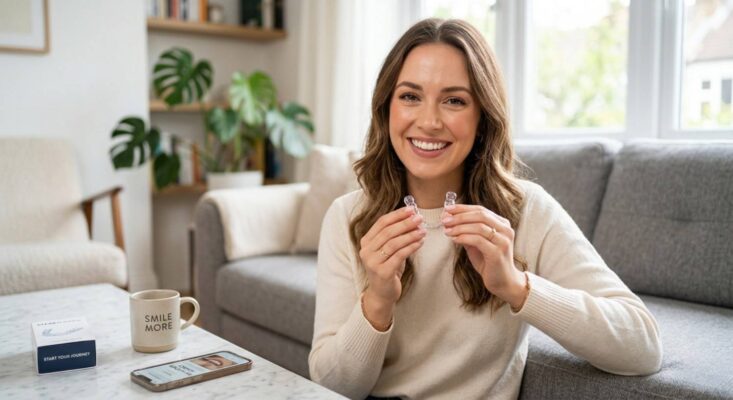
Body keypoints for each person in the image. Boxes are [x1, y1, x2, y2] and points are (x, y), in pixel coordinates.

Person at [308, 18, 662, 400]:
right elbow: (330, 386)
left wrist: (514, 285)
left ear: (483, 117)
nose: (428, 122)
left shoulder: (526, 212)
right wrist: (377, 299)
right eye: (410, 96)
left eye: (454, 100)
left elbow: (642, 345)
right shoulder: (347, 217)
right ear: (386, 109)